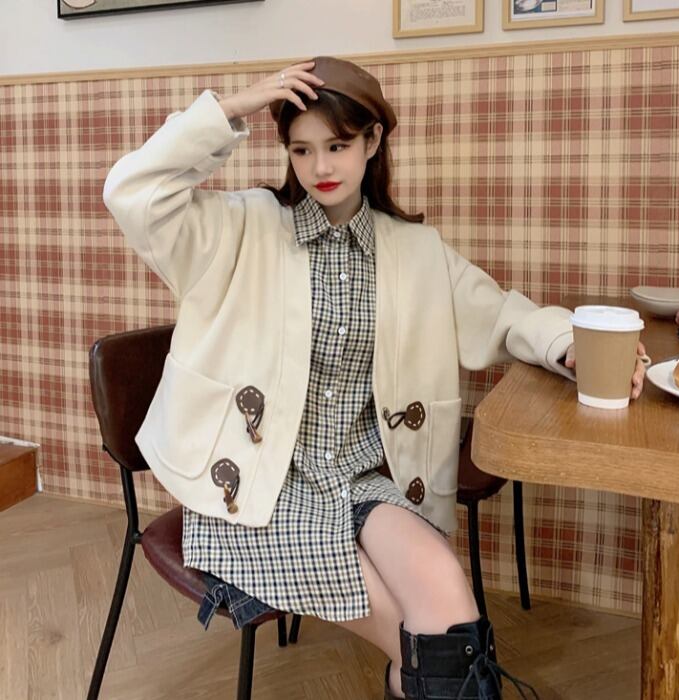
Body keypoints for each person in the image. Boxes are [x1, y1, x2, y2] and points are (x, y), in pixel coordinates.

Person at [103, 57, 646, 700]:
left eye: (337, 145)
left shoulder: (414, 251)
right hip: (253, 491)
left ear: (372, 141)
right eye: (302, 149)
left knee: (448, 603)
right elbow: (131, 190)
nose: (320, 167)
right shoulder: (238, 227)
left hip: (359, 477)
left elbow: (502, 314)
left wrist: (572, 345)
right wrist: (233, 107)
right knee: (444, 656)